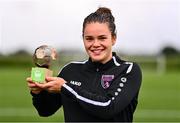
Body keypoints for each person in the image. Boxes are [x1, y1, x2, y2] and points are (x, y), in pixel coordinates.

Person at [27, 7, 142, 122]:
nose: (95, 44)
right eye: (89, 39)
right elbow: (45, 110)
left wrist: (65, 87)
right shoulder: (70, 70)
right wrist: (38, 93)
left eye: (102, 38)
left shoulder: (128, 70)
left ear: (113, 39)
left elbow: (109, 107)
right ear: (83, 39)